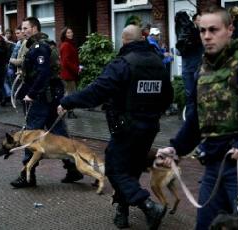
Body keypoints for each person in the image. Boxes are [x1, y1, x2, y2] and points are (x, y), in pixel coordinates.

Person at [157, 6, 238, 230]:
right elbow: (198, 119)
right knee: (206, 225)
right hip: (213, 168)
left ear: (229, 29)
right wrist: (176, 147)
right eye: (202, 30)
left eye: (213, 30)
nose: (207, 36)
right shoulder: (203, 70)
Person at [57, 24, 173, 229]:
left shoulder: (123, 63)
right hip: (150, 128)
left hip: (126, 127)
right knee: (131, 170)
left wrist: (68, 101)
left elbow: (96, 91)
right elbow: (168, 97)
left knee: (114, 167)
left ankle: (147, 206)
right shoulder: (158, 63)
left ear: (125, 40)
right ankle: (122, 212)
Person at [10, 16, 83, 188]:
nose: (24, 31)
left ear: (34, 28)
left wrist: (32, 94)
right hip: (51, 97)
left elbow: (42, 73)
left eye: (26, 28)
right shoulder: (42, 44)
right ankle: (73, 168)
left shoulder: (39, 47)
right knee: (59, 134)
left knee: (30, 135)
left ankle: (27, 176)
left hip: (42, 99)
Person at [59, 27, 80, 119]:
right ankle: (68, 111)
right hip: (68, 74)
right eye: (68, 33)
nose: (70, 34)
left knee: (69, 92)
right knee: (71, 93)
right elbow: (66, 61)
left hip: (69, 73)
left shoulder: (69, 44)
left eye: (71, 32)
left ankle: (65, 109)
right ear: (64, 34)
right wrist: (76, 69)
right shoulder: (66, 45)